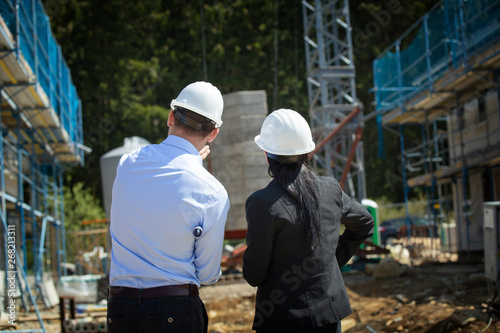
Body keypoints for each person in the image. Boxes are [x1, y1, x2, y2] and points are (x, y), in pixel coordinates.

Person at [107, 81, 230, 333]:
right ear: (213, 133)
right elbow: (207, 274)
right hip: (174, 310)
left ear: (171, 116)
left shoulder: (127, 163)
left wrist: (191, 162)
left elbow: (160, 173)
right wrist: (195, 167)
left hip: (120, 307)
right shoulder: (212, 191)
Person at [243, 109, 374, 333]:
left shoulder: (262, 203)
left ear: (267, 154)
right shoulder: (330, 189)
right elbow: (364, 222)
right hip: (328, 317)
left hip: (281, 320)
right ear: (308, 153)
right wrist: (333, 260)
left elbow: (254, 275)